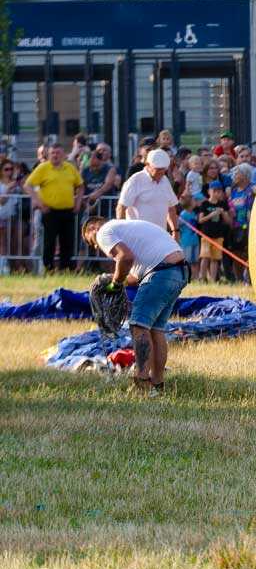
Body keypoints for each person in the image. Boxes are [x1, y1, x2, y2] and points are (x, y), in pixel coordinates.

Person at [84, 216, 190, 393]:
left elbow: (125, 258)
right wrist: (113, 280)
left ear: (93, 228)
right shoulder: (127, 228)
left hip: (160, 273)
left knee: (138, 325)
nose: (97, 247)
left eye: (92, 242)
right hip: (179, 271)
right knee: (156, 329)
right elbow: (134, 275)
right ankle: (157, 384)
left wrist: (115, 285)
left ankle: (141, 380)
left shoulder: (104, 231)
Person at [26, 142, 85, 272]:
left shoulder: (70, 168)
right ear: (48, 155)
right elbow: (28, 185)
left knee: (68, 241)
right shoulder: (43, 168)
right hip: (50, 211)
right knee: (49, 242)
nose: (55, 155)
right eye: (52, 153)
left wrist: (78, 202)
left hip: (68, 211)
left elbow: (80, 186)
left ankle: (66, 269)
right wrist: (39, 203)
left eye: (58, 153)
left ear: (63, 155)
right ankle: (49, 268)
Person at [119, 149, 181, 235]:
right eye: (158, 169)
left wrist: (175, 231)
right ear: (148, 165)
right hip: (137, 235)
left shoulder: (165, 181)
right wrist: (122, 232)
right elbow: (121, 207)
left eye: (163, 169)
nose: (161, 172)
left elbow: (171, 208)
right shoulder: (135, 180)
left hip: (160, 235)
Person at [195, 185, 234, 283]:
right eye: (214, 191)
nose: (217, 193)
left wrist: (223, 213)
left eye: (219, 191)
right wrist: (211, 215)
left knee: (215, 258)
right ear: (209, 191)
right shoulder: (205, 204)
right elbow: (200, 220)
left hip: (218, 236)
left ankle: (213, 279)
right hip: (206, 235)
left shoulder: (222, 204)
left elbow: (228, 221)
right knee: (205, 256)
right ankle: (202, 278)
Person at [78, 145, 122, 217]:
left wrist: (97, 193)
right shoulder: (85, 170)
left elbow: (108, 184)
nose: (87, 161)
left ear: (98, 159)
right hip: (88, 207)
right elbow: (80, 185)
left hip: (106, 208)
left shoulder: (110, 169)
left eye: (90, 158)